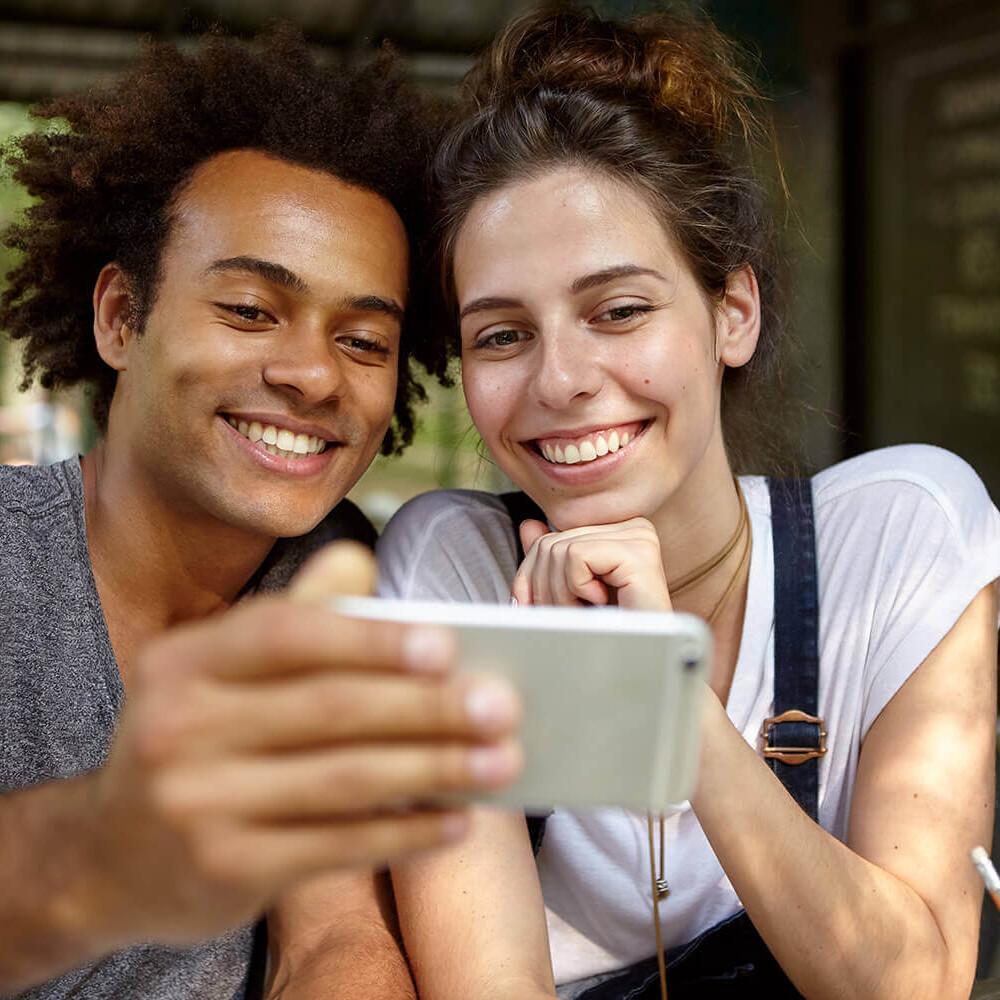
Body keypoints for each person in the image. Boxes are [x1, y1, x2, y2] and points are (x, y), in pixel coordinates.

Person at [375, 8, 1000, 999]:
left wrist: (669, 694)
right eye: (501, 335)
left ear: (731, 313)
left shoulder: (898, 532)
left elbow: (911, 984)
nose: (562, 380)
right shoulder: (453, 571)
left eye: (618, 310)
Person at [0, 28, 523, 1000]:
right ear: (121, 319)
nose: (313, 373)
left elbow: (335, 937)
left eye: (364, 340)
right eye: (249, 310)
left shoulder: (331, 568)